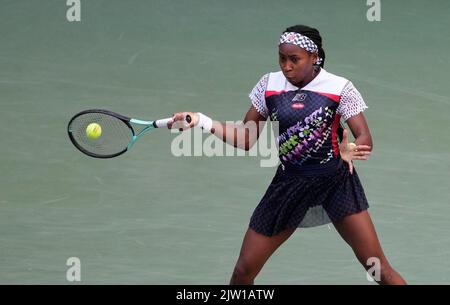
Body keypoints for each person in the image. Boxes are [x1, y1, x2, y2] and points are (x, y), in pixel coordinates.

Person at [169, 24, 406, 285]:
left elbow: (365, 137)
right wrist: (202, 121)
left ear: (314, 57)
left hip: (336, 183)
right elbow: (246, 138)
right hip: (289, 186)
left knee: (378, 269)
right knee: (242, 272)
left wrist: (352, 149)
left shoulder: (340, 88)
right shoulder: (269, 85)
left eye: (295, 59)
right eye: (282, 58)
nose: (287, 66)